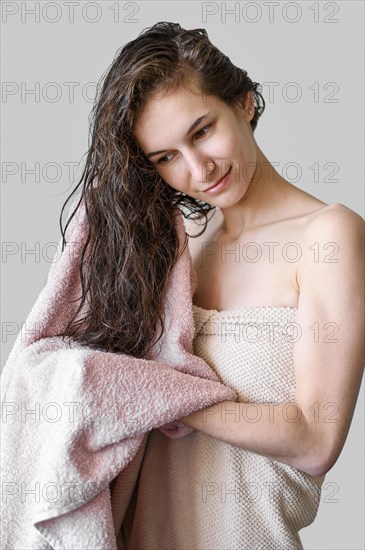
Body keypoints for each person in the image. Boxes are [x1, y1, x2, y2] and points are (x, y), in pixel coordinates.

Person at [60, 21, 364, 550]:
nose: (198, 170)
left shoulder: (327, 235)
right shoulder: (179, 250)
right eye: (166, 157)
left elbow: (315, 439)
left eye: (202, 131)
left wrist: (157, 395)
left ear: (244, 103)